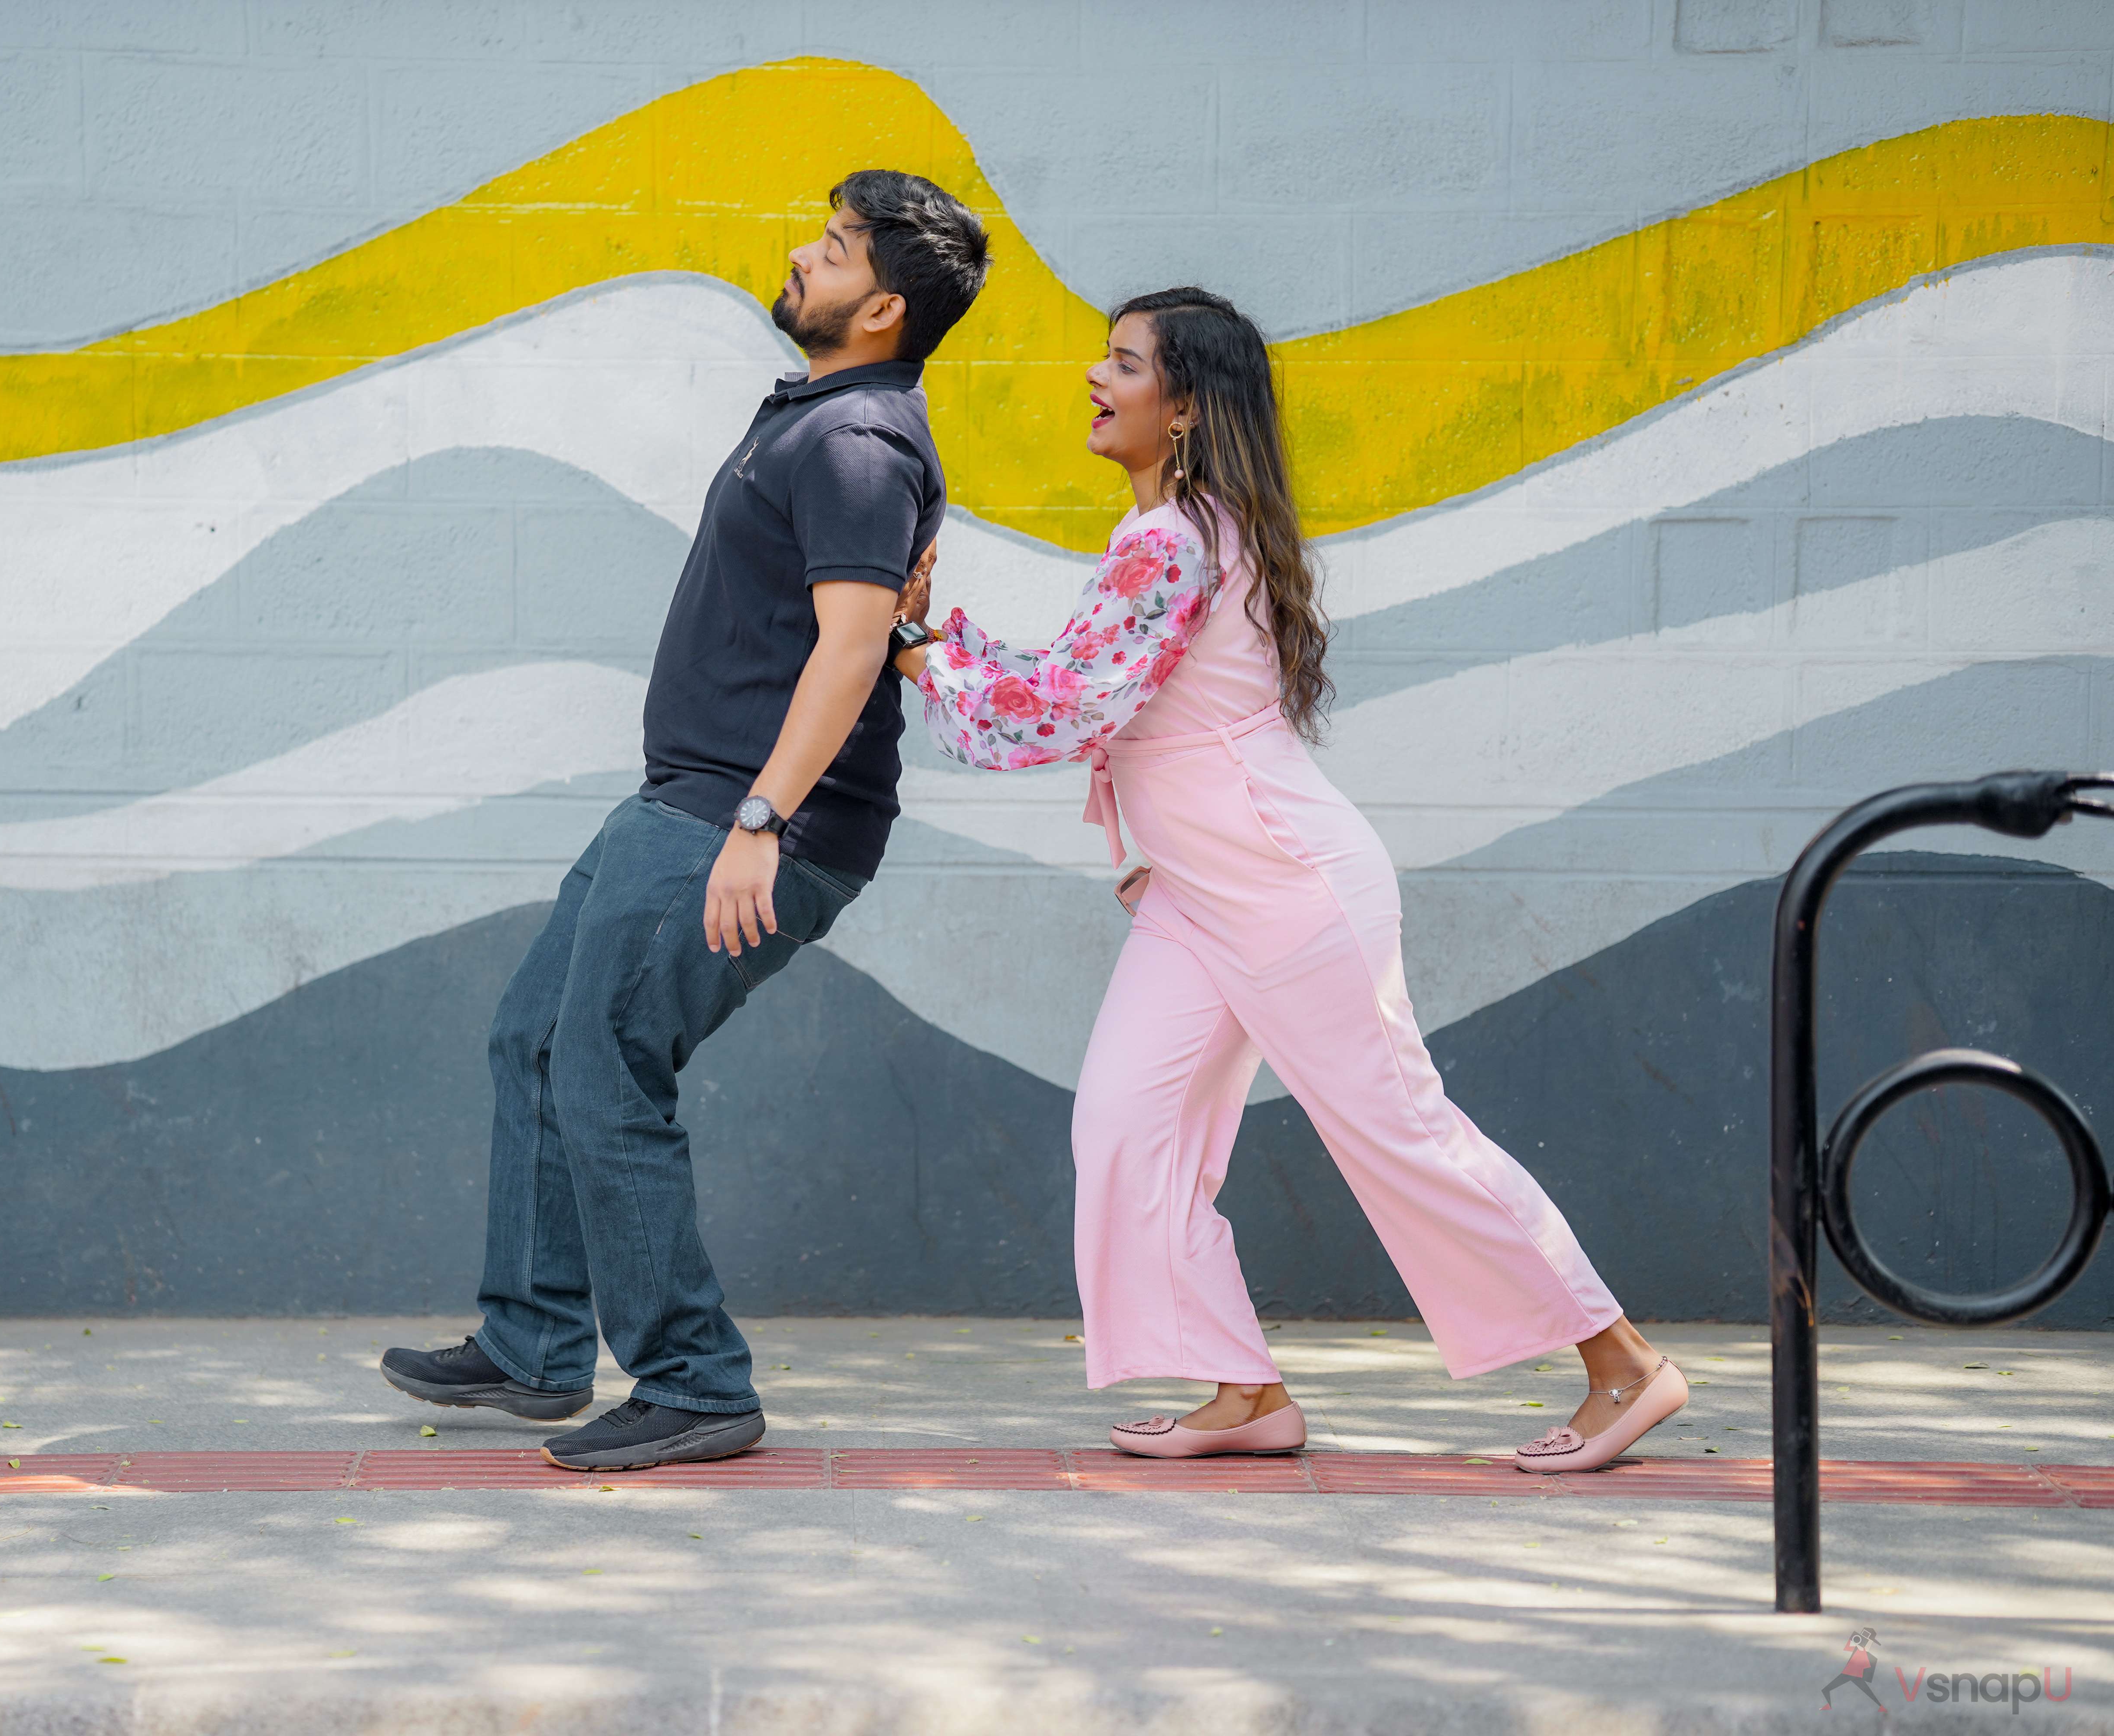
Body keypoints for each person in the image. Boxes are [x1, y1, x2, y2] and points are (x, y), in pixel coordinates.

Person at [887, 288, 1686, 1473]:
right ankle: (1244, 1392)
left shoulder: (1174, 540)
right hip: (1200, 898)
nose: (1094, 382)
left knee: (1398, 1129)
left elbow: (1065, 710)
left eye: (1123, 365)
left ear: (1190, 405)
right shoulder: (1185, 531)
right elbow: (1078, 673)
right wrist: (941, 648)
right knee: (1123, 1123)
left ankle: (1624, 1363)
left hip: (1287, 889)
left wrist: (912, 655)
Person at [382, 171, 991, 1473]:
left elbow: (850, 646)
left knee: (608, 1061)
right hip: (688, 799)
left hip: (748, 816)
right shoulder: (829, 417)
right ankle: (536, 1338)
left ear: (882, 304)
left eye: (830, 249)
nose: (799, 254)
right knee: (537, 1037)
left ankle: (695, 1378)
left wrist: (763, 820)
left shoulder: (854, 442)